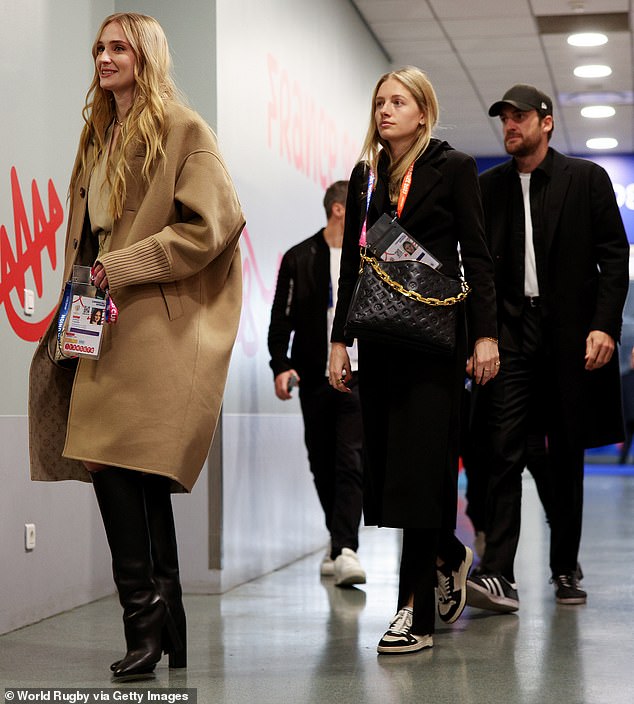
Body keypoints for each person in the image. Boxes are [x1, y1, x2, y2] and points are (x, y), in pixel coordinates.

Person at [28, 12, 244, 680]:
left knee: (121, 468)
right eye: (98, 47)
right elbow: (85, 239)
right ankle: (167, 628)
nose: (103, 56)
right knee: (126, 475)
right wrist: (78, 296)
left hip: (150, 324)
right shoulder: (98, 133)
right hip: (97, 316)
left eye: (118, 46)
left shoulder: (184, 128)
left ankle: (143, 630)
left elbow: (215, 225)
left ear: (146, 54)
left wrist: (116, 269)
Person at [329, 66, 499, 654]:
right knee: (392, 472)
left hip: (436, 342)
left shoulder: (452, 168)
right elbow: (352, 268)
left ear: (422, 112)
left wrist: (485, 336)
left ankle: (414, 614)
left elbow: (476, 257)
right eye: (379, 101)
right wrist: (337, 341)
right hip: (380, 342)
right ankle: (449, 554)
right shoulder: (364, 176)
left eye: (397, 101)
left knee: (425, 470)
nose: (385, 111)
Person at [466, 84, 629, 613]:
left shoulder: (585, 180)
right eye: (504, 120)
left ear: (546, 121)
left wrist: (605, 325)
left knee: (565, 455)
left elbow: (613, 258)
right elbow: (479, 270)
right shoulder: (487, 188)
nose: (510, 127)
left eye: (519, 118)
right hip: (510, 335)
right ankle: (498, 573)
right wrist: (481, 335)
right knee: (502, 449)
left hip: (569, 337)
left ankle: (564, 566)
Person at [267, 181, 366, 587]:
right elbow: (280, 318)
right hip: (314, 375)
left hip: (358, 375)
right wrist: (281, 364)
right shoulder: (299, 257)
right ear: (339, 210)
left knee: (351, 460)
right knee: (321, 461)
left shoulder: (369, 258)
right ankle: (337, 538)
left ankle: (346, 549)